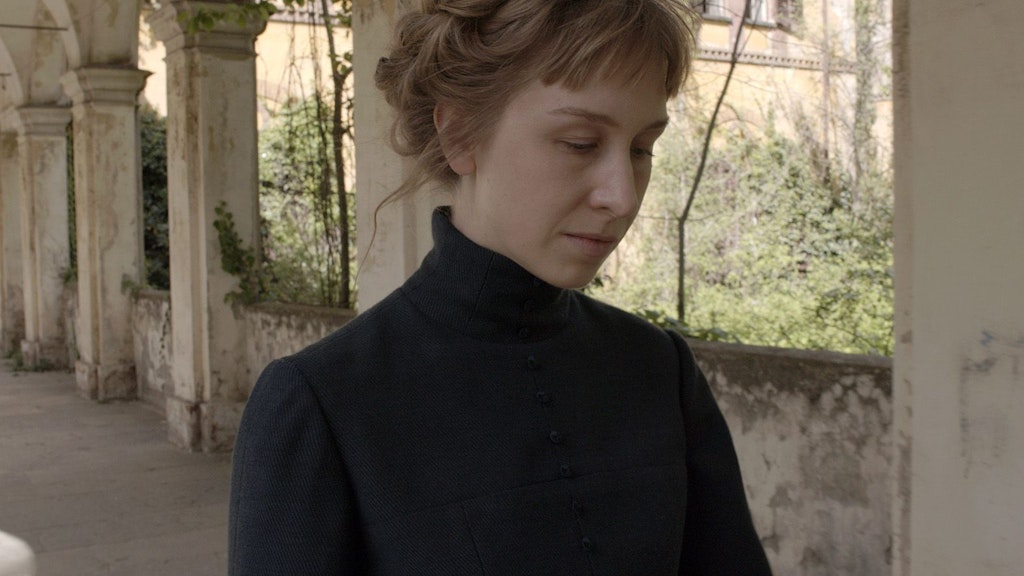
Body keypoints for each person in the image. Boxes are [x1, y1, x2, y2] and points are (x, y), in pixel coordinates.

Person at [228, 0, 772, 574]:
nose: (623, 196)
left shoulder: (659, 369)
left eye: (642, 149)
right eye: (580, 142)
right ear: (460, 134)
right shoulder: (320, 402)